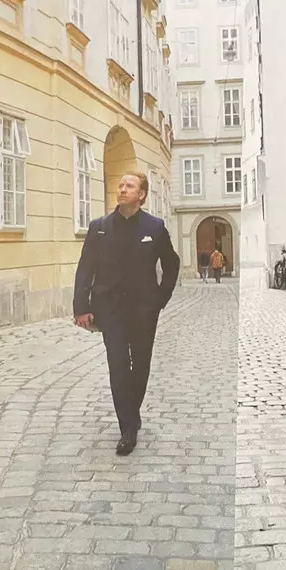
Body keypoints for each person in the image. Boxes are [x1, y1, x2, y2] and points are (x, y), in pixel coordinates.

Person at [73, 171, 180, 456]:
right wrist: (81, 307)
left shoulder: (154, 227)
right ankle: (128, 429)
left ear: (141, 195)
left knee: (141, 365)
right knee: (118, 365)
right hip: (110, 310)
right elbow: (85, 268)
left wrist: (160, 299)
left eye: (129, 186)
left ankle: (131, 413)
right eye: (120, 185)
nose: (122, 189)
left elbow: (171, 264)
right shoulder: (99, 228)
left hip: (144, 310)